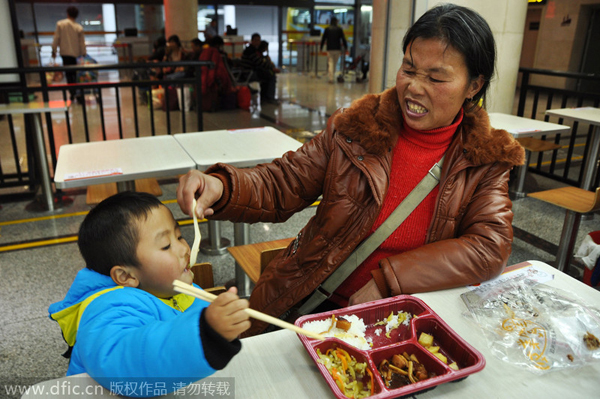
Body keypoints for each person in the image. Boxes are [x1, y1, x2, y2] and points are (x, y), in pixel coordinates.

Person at [176, 4, 524, 337]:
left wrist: (390, 280)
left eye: (436, 78)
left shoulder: (486, 159)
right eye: (409, 69)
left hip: (405, 320)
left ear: (474, 86)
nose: (414, 87)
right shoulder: (356, 128)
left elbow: (488, 246)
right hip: (315, 305)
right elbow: (285, 181)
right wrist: (222, 186)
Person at [49, 192, 250, 397]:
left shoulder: (178, 290)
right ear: (126, 275)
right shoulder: (108, 307)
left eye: (179, 236)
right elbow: (125, 362)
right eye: (166, 245)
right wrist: (205, 335)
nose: (183, 248)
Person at [51, 6, 86, 101]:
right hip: (77, 54)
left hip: (65, 53)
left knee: (69, 74)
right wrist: (84, 53)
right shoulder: (78, 27)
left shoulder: (60, 24)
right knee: (77, 74)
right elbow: (82, 42)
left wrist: (53, 50)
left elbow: (56, 38)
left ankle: (72, 93)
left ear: (68, 14)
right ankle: (78, 93)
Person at [242, 33, 278, 104]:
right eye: (255, 40)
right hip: (248, 73)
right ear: (252, 41)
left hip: (249, 72)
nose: (257, 42)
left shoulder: (253, 50)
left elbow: (260, 63)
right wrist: (272, 68)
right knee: (270, 76)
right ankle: (269, 97)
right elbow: (259, 63)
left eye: (258, 40)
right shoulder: (250, 51)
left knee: (266, 75)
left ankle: (265, 98)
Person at [320, 17, 347, 83]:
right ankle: (332, 76)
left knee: (331, 63)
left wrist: (321, 47)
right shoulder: (339, 29)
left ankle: (331, 78)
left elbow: (323, 39)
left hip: (330, 49)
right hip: (337, 48)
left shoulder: (327, 29)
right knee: (334, 63)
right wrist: (346, 47)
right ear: (336, 22)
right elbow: (343, 39)